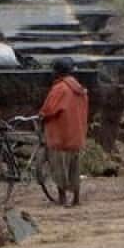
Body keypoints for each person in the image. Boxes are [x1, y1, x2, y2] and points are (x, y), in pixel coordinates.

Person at [39, 58, 90, 207]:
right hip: (76, 135)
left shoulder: (60, 88)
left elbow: (49, 110)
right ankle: (76, 199)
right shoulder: (79, 88)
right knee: (75, 168)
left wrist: (41, 116)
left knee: (59, 168)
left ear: (59, 72)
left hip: (61, 136)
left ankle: (62, 198)